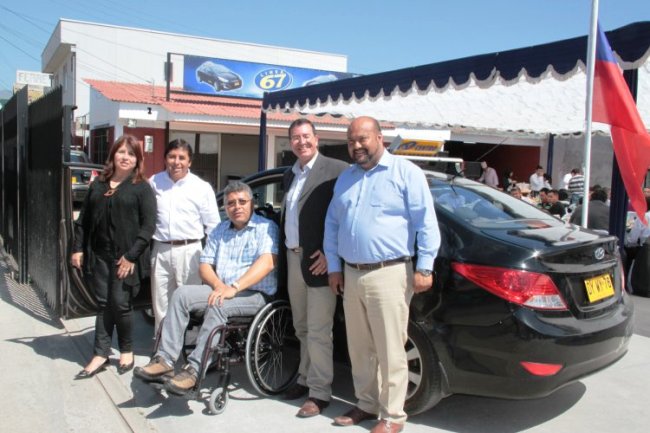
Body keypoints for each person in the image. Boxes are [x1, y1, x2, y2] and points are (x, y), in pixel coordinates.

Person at [324, 116, 441, 433]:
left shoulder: (405, 173)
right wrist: (334, 267)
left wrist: (425, 266)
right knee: (359, 348)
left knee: (391, 348)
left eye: (362, 138)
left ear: (380, 138)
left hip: (389, 274)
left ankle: (392, 415)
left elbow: (426, 223)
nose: (356, 145)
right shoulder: (346, 179)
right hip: (351, 274)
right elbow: (332, 225)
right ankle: (366, 403)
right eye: (351, 140)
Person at [133, 181, 279, 395]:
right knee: (182, 294)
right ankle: (164, 359)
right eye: (230, 203)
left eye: (242, 202)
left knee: (218, 306)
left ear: (251, 204)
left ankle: (193, 370)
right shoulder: (220, 229)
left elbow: (267, 262)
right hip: (225, 290)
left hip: (255, 294)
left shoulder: (266, 227)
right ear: (226, 208)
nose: (236, 206)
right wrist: (220, 285)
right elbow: (205, 266)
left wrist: (234, 288)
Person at [71, 135, 156, 378]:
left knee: (120, 304)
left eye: (131, 154)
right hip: (100, 256)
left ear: (137, 159)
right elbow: (83, 220)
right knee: (103, 304)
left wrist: (130, 257)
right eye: (121, 152)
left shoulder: (141, 187)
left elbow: (148, 227)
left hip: (126, 259)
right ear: (113, 155)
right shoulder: (98, 185)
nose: (125, 157)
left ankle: (126, 349)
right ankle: (100, 353)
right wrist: (77, 248)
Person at [280, 119, 348, 417]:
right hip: (294, 259)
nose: (301, 142)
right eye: (295, 137)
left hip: (321, 262)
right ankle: (305, 379)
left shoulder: (337, 170)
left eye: (306, 136)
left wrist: (333, 253)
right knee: (302, 327)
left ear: (316, 139)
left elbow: (348, 215)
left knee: (320, 330)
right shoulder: (290, 174)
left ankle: (319, 394)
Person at [149, 139, 220, 333]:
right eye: (172, 157)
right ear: (165, 159)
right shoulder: (154, 182)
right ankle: (162, 350)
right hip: (161, 249)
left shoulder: (201, 187)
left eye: (182, 157)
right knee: (161, 304)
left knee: (189, 304)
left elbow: (213, 226)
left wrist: (212, 260)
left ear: (190, 162)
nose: (176, 162)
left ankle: (188, 348)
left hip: (190, 251)